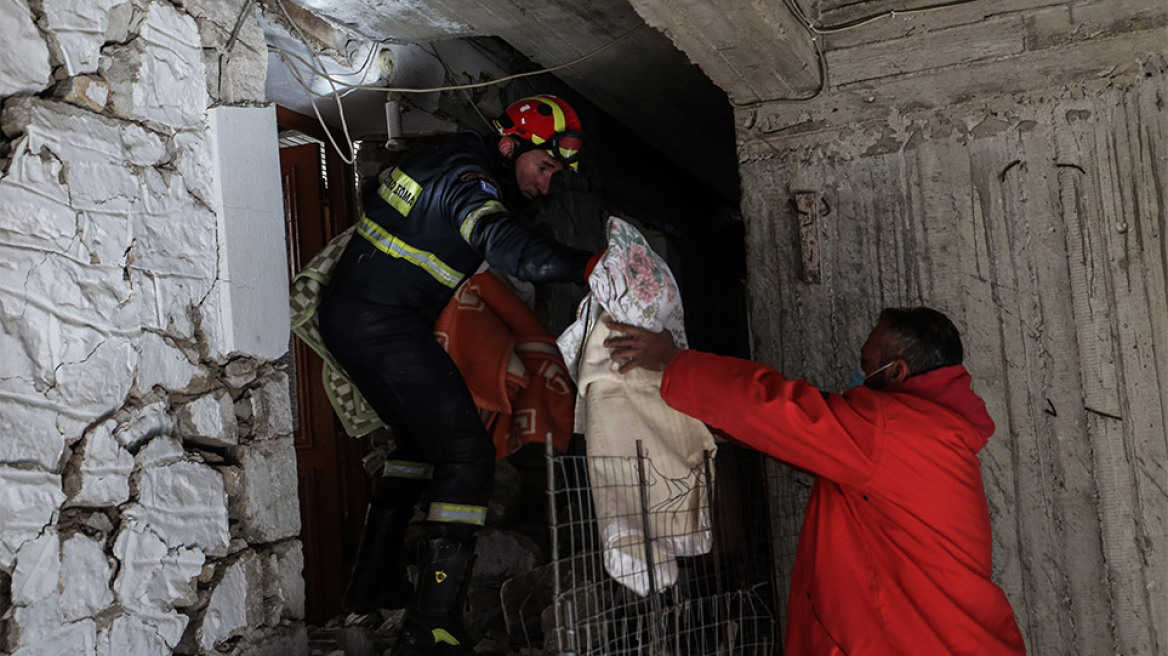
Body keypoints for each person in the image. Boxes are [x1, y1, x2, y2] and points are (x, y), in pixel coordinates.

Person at [319, 94, 595, 656]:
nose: (546, 185)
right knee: (467, 453)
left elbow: (383, 200)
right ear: (509, 145)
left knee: (420, 445)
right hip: (382, 324)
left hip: (359, 317)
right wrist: (590, 265)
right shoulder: (470, 178)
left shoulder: (444, 157)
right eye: (543, 168)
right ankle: (434, 623)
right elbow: (506, 246)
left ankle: (373, 586)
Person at [604, 307, 1027, 654]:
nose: (855, 376)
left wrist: (674, 362)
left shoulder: (894, 430)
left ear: (896, 372)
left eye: (864, 364)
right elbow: (800, 440)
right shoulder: (934, 436)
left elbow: (783, 411)